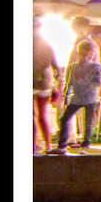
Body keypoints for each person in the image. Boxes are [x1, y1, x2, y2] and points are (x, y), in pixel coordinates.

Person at [58, 41, 101, 153]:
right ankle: (85, 141)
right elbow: (97, 83)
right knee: (87, 120)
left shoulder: (74, 67)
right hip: (87, 96)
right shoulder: (94, 66)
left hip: (81, 96)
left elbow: (68, 83)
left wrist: (66, 96)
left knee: (67, 119)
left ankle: (64, 142)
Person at [32, 27, 61, 156]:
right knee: (42, 115)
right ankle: (47, 145)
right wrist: (56, 85)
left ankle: (32, 146)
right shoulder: (47, 46)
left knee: (31, 116)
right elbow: (56, 68)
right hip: (45, 83)